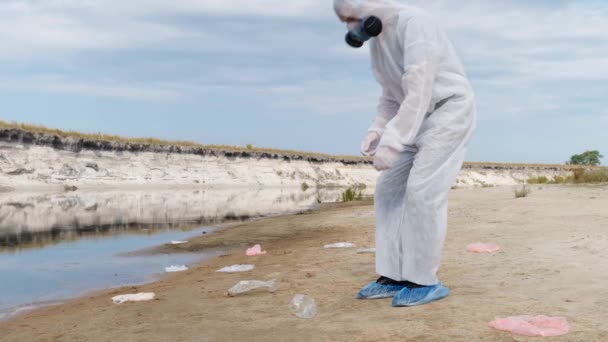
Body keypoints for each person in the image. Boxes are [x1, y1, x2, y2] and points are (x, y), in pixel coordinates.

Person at [334, 0, 477, 307]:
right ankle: (392, 275)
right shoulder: (378, 41)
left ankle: (424, 280)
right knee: (388, 192)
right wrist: (377, 129)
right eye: (344, 20)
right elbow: (390, 94)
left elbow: (419, 88)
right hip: (410, 117)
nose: (350, 28)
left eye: (351, 18)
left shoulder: (416, 24)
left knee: (422, 192)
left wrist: (392, 140)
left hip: (446, 111)